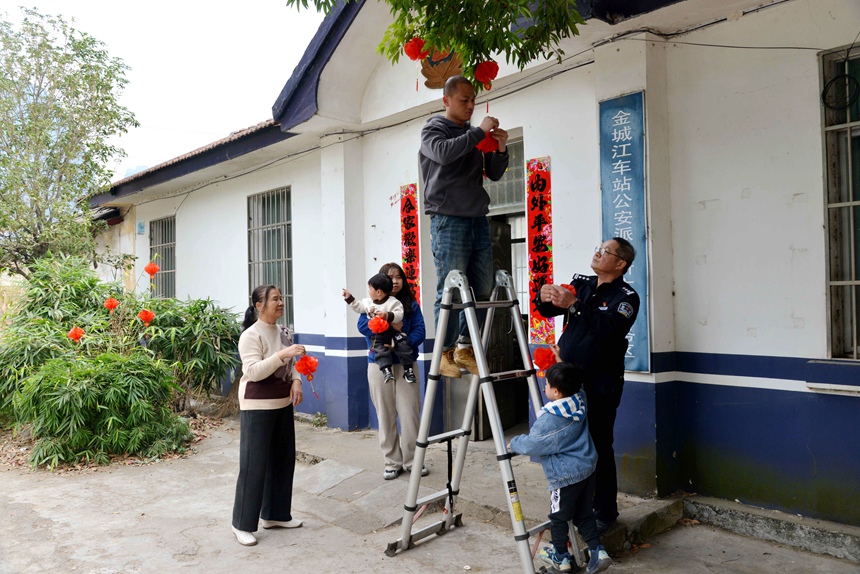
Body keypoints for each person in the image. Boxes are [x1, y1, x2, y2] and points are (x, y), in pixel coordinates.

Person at [536, 238, 640, 534]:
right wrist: (544, 297)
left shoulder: (626, 297)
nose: (597, 252)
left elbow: (610, 330)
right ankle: (575, 506)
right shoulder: (581, 283)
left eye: (605, 251)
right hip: (567, 379)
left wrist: (576, 306)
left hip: (600, 384)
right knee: (568, 444)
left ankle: (605, 511)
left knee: (598, 445)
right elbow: (550, 311)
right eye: (598, 247)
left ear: (620, 264)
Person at [419, 74, 509, 378]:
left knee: (482, 287)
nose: (471, 105)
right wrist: (478, 133)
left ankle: (465, 346)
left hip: (476, 217)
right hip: (448, 217)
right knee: (451, 287)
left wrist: (500, 149)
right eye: (464, 99)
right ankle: (443, 353)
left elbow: (494, 174)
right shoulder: (434, 129)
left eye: (473, 99)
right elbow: (443, 154)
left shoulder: (472, 135)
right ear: (446, 100)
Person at [508, 362, 612, 574]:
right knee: (584, 514)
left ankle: (561, 557)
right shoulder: (579, 399)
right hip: (587, 468)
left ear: (555, 391)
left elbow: (533, 444)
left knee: (558, 516)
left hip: (565, 476)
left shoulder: (550, 419)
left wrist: (514, 443)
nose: (544, 387)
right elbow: (579, 385)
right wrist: (560, 359)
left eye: (546, 384)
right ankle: (598, 552)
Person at [231, 285, 306, 546]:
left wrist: (296, 381)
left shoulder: (284, 332)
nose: (281, 302)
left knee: (283, 461)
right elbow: (253, 372)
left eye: (281, 298)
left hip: (282, 403)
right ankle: (241, 523)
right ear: (259, 306)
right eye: (275, 299)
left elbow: (292, 365)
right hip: (257, 406)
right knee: (254, 466)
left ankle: (275, 514)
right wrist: (281, 354)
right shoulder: (250, 336)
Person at [357, 263, 427, 480]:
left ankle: (413, 461)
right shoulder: (371, 303)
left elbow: (420, 330)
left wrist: (403, 342)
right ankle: (392, 462)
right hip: (378, 365)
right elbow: (362, 326)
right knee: (385, 415)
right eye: (390, 277)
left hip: (407, 365)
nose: (395, 281)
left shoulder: (410, 304)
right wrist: (383, 321)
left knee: (410, 414)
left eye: (399, 277)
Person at [343, 273, 417, 384]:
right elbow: (358, 307)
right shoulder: (367, 302)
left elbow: (399, 314)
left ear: (378, 292)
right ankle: (386, 370)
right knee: (379, 349)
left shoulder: (394, 302)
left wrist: (387, 316)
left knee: (403, 344)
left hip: (393, 333)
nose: (368, 291)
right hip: (378, 335)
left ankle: (408, 370)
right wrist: (349, 298)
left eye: (370, 288)